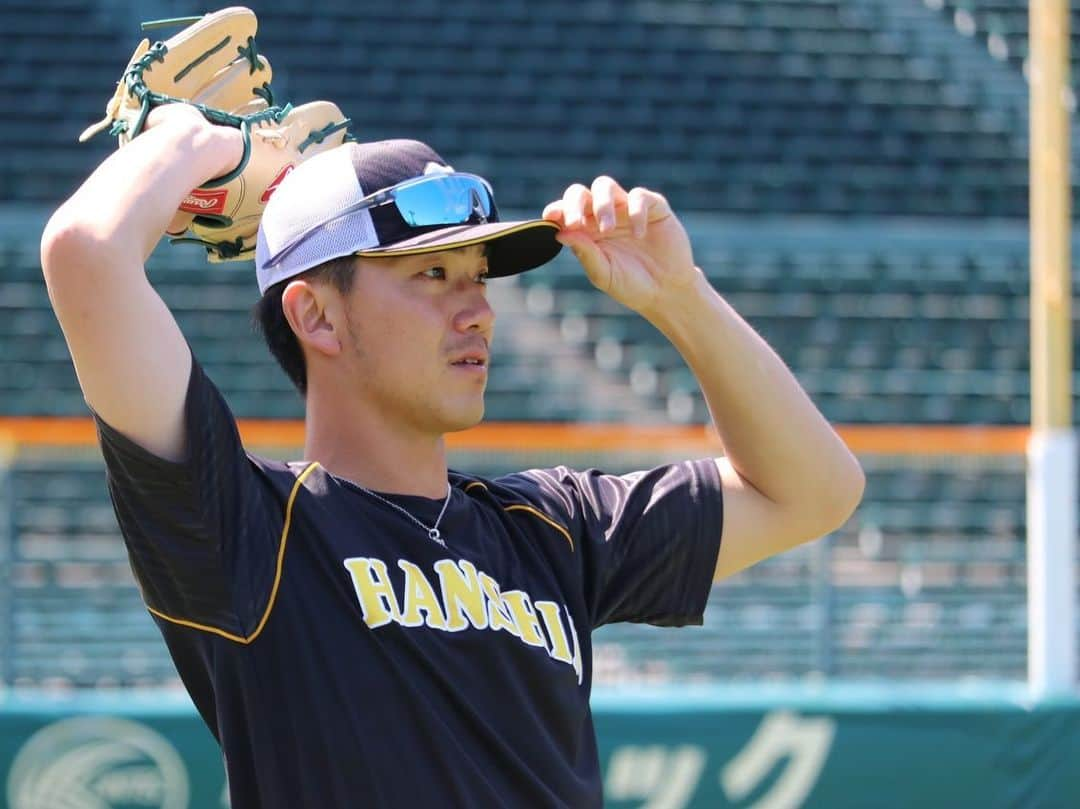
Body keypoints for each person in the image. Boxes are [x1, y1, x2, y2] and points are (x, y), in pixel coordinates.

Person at [40, 102, 865, 808]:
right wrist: (207, 139)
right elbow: (86, 251)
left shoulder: (551, 526)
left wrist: (681, 297)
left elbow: (815, 491)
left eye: (477, 275)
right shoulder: (250, 532)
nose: (477, 311)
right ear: (317, 318)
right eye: (433, 274)